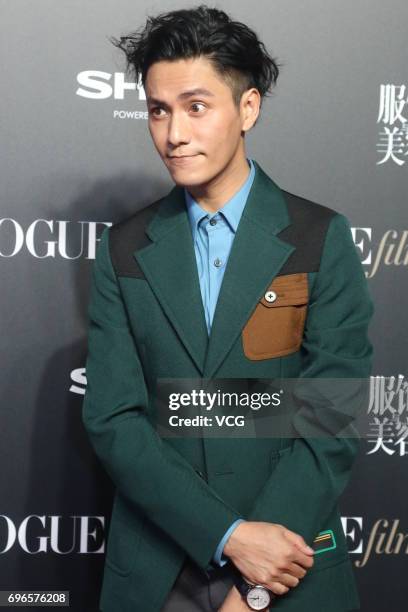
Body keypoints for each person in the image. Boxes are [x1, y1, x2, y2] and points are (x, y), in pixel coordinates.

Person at [82, 5, 374, 611]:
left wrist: (258, 577)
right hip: (161, 568)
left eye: (195, 106)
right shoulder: (125, 248)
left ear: (247, 109)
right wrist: (230, 537)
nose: (173, 133)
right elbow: (114, 419)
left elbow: (332, 415)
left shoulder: (318, 236)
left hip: (292, 566)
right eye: (158, 110)